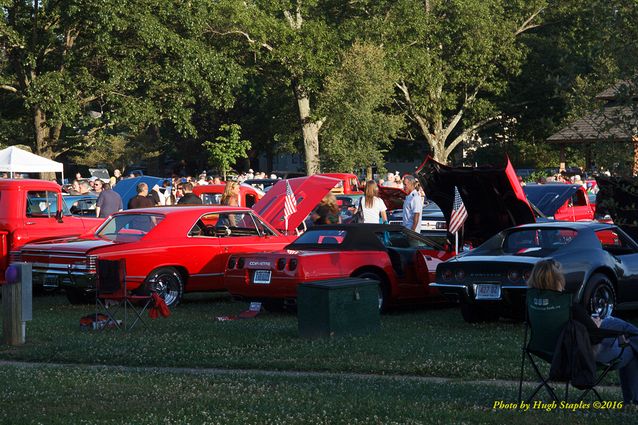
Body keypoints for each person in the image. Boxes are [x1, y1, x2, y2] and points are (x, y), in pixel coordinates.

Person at [527, 259, 638, 404]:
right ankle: (632, 401)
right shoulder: (568, 304)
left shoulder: (532, 301)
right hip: (580, 354)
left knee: (612, 322)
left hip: (548, 351)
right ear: (557, 279)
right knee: (630, 347)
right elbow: (595, 338)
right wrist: (597, 327)